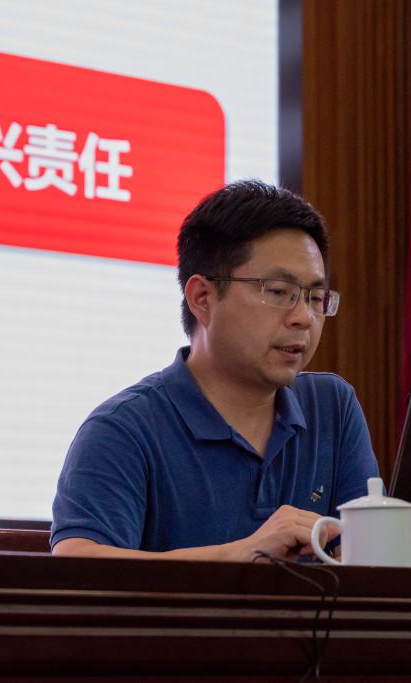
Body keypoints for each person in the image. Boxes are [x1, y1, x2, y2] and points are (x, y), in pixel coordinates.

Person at [51, 180, 379, 562]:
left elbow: (370, 562)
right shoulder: (124, 429)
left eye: (315, 297)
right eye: (278, 292)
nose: (304, 317)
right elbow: (76, 562)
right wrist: (241, 555)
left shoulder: (331, 409)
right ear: (202, 298)